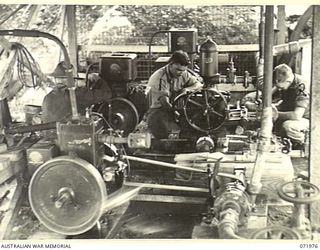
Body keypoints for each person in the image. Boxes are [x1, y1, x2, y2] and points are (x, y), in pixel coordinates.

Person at [146, 50, 203, 139]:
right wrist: (178, 116)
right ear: (171, 64)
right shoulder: (159, 78)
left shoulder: (183, 73)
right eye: (178, 70)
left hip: (174, 108)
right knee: (170, 136)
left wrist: (186, 90)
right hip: (158, 112)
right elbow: (165, 103)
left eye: (183, 70)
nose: (180, 73)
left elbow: (198, 85)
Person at [272, 63, 309, 144]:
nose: (278, 90)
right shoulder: (290, 83)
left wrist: (275, 114)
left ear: (288, 81)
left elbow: (296, 116)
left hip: (310, 119)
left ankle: (308, 143)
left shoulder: (302, 87)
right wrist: (273, 107)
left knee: (288, 126)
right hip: (299, 116)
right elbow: (287, 105)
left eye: (280, 87)